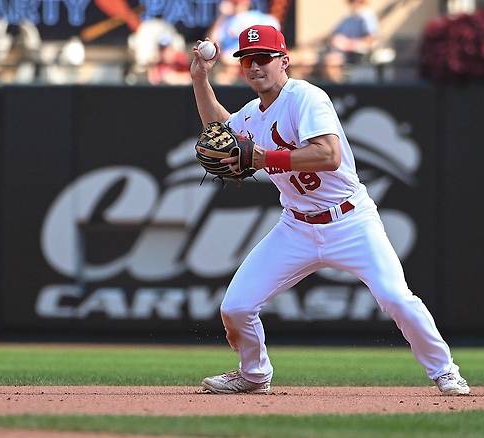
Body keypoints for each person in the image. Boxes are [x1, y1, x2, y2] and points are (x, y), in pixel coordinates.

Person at [190, 24, 469, 396]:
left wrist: (263, 157)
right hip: (296, 228)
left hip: (350, 220)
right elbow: (221, 132)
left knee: (396, 297)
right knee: (236, 307)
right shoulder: (253, 116)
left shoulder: (304, 97)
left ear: (284, 61)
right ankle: (254, 375)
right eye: (247, 61)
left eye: (263, 58)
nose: (255, 67)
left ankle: (445, 371)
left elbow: (328, 155)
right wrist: (199, 80)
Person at [207, 0, 280, 84]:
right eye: (233, 3)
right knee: (221, 79)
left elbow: (274, 32)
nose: (235, 5)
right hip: (228, 66)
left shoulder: (259, 17)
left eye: (237, 3)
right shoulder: (225, 21)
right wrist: (221, 16)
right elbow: (211, 43)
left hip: (252, 62)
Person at [323, 0, 379, 82]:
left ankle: (339, 90)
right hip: (340, 53)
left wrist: (347, 44)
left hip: (356, 56)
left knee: (332, 62)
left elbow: (371, 40)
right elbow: (333, 35)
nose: (351, 3)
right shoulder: (348, 18)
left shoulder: (367, 17)